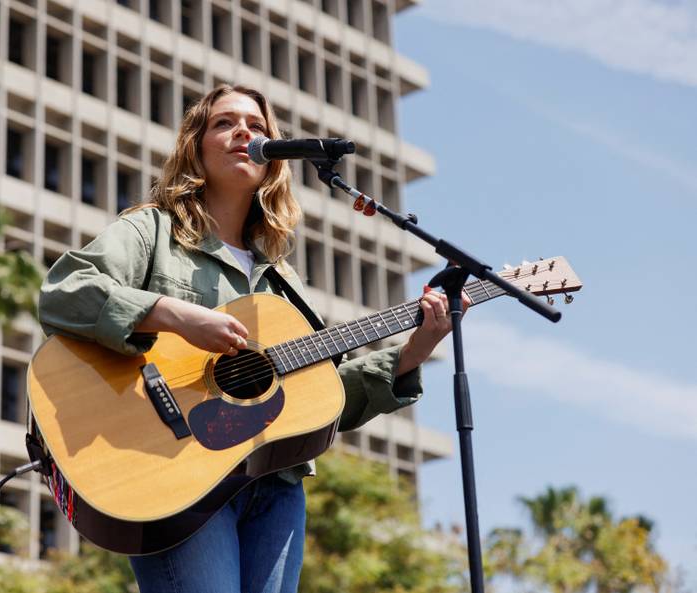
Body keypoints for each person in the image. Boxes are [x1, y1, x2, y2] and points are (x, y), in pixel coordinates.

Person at [38, 85, 463, 593]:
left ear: (273, 159)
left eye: (257, 127)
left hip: (276, 488)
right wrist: (172, 314)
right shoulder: (152, 231)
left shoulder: (284, 283)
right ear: (195, 146)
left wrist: (413, 352)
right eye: (225, 123)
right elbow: (65, 292)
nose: (244, 132)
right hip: (176, 475)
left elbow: (318, 399)